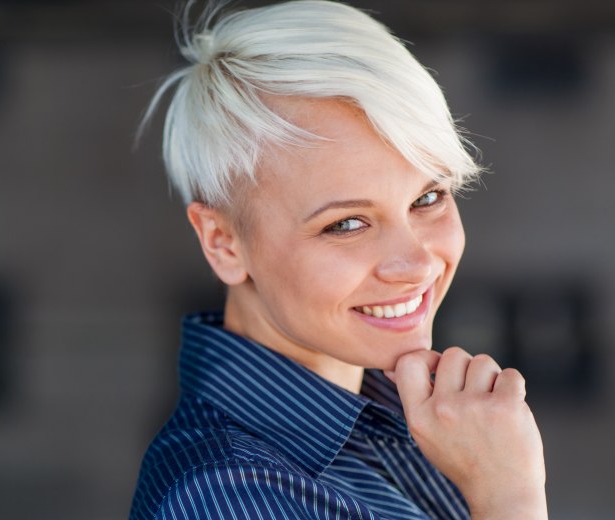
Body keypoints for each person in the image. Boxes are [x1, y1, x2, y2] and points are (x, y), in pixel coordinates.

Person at [129, 1, 547, 518]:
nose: (415, 263)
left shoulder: (419, 420)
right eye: (346, 224)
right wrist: (508, 496)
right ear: (223, 242)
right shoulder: (230, 495)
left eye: (428, 197)